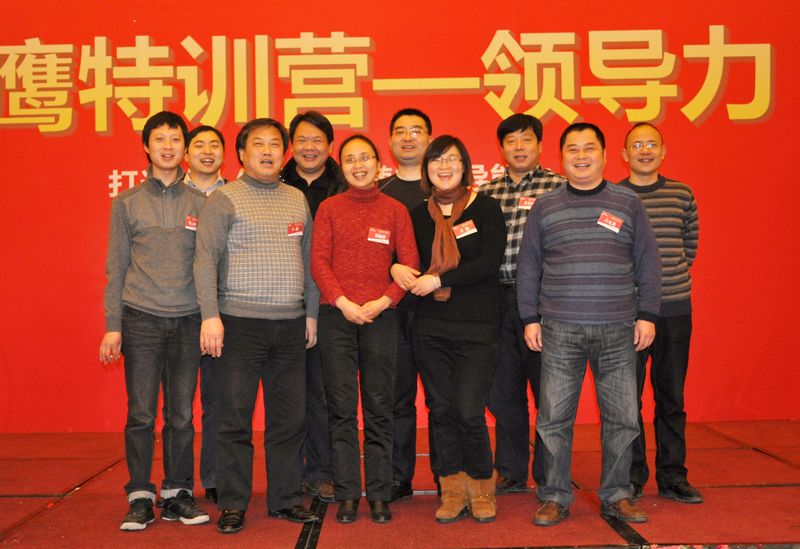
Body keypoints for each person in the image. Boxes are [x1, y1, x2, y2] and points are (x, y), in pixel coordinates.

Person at [517, 122, 661, 526]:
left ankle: (617, 494)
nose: (581, 156)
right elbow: (529, 265)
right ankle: (554, 495)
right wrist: (530, 318)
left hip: (618, 327)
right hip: (559, 328)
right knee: (553, 418)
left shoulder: (628, 202)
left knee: (622, 418)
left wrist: (648, 314)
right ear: (561, 157)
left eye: (589, 148)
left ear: (604, 155)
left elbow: (648, 262)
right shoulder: (545, 206)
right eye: (573, 149)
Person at [194, 118, 320, 534]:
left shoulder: (296, 199)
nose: (268, 152)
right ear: (241, 154)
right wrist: (210, 315)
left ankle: (285, 499)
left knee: (289, 419)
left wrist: (311, 313)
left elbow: (309, 262)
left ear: (285, 152)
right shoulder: (224, 199)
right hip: (239, 324)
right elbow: (205, 261)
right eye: (258, 145)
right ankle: (233, 503)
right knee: (234, 418)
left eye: (274, 145)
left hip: (290, 325)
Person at [100, 111, 209, 531]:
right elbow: (116, 268)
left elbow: (209, 267)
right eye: (159, 139)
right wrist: (113, 325)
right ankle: (140, 496)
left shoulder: (203, 203)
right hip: (140, 318)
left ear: (185, 148)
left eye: (175, 139)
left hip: (187, 319)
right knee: (141, 414)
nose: (168, 146)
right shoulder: (126, 202)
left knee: (181, 414)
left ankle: (177, 493)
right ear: (146, 147)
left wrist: (209, 317)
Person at [396, 135, 507, 523]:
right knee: (441, 409)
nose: (444, 167)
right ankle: (452, 489)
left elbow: (489, 262)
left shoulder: (486, 208)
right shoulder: (416, 215)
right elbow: (403, 257)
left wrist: (441, 280)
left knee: (469, 410)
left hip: (477, 326)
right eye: (437, 161)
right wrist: (396, 267)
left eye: (452, 160)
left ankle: (481, 486)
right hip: (430, 327)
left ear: (465, 166)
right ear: (426, 169)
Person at [311, 135, 419, 524]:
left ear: (378, 164)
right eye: (351, 159)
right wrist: (342, 302)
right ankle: (346, 494)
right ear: (342, 166)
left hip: (381, 317)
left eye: (365, 158)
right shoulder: (329, 208)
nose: (359, 165)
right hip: (336, 316)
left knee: (379, 407)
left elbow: (409, 263)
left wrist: (382, 302)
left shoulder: (395, 210)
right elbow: (319, 261)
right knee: (341, 408)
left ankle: (378, 494)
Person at [480, 113, 564, 494]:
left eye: (526, 139)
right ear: (501, 148)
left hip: (543, 301)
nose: (519, 147)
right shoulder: (485, 194)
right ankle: (511, 469)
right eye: (511, 141)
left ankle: (549, 472)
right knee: (503, 391)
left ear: (540, 145)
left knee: (549, 390)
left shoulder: (558, 188)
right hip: (495, 301)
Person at [620, 123, 702, 504]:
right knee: (627, 400)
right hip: (626, 313)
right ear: (624, 154)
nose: (645, 150)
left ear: (663, 151)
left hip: (673, 309)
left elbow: (689, 247)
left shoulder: (682, 194)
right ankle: (632, 475)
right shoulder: (615, 196)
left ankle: (673, 477)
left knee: (671, 397)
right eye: (637, 145)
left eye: (652, 144)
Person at [280, 111, 347, 503]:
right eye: (302, 140)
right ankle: (287, 474)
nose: (309, 147)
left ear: (330, 145)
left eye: (317, 140)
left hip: (330, 304)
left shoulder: (343, 187)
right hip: (283, 303)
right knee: (287, 395)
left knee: (323, 393)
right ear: (291, 145)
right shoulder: (274, 182)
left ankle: (321, 471)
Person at [378, 108, 436, 501]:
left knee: (443, 399)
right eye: (400, 131)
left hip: (439, 311)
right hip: (393, 311)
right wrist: (391, 267)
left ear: (430, 139)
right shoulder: (380, 191)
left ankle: (450, 477)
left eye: (417, 130)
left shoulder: (446, 187)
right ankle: (397, 476)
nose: (408, 137)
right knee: (395, 399)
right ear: (390, 141)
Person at [183, 124, 227, 504]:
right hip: (180, 313)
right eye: (199, 145)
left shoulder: (234, 196)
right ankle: (178, 484)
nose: (207, 151)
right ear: (186, 153)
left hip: (222, 314)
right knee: (179, 406)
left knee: (219, 401)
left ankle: (215, 477)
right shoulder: (173, 194)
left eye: (215, 145)